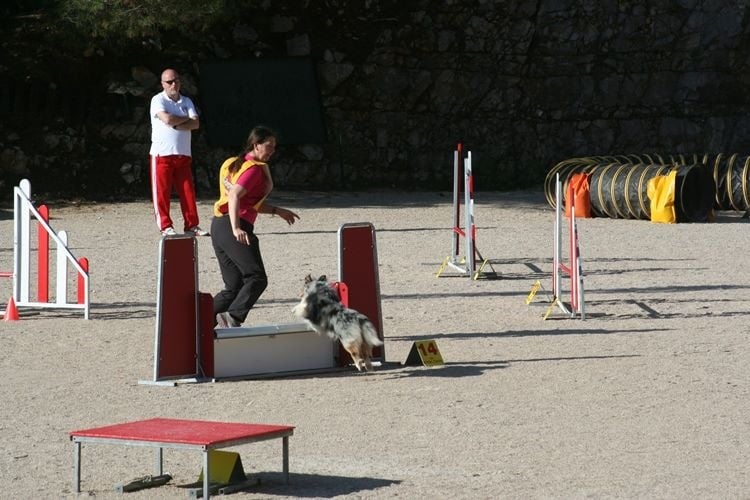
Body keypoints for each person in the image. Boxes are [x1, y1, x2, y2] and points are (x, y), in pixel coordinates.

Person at [212, 125, 300, 328]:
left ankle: (197, 325)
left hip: (218, 226)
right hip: (234, 226)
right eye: (268, 146)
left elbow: (246, 201)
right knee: (256, 277)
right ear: (256, 144)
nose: (272, 151)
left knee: (233, 287)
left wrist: (277, 211)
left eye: (274, 147)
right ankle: (232, 318)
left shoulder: (232, 163)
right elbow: (234, 195)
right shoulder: (253, 170)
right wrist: (236, 228)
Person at [149, 68, 208, 236]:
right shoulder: (157, 100)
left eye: (176, 80)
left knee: (188, 192)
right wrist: (183, 120)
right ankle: (165, 226)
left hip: (183, 154)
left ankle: (192, 225)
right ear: (162, 84)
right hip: (162, 155)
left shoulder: (186, 101)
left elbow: (195, 124)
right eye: (169, 82)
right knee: (162, 193)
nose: (173, 84)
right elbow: (166, 119)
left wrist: (176, 122)